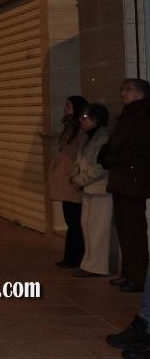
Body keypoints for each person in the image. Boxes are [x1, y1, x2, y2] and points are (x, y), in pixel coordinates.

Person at [100, 79, 150, 293]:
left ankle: (138, 278)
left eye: (128, 89)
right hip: (122, 180)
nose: (123, 93)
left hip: (133, 180)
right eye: (122, 89)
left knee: (134, 231)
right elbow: (115, 142)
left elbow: (139, 148)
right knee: (124, 230)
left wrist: (114, 157)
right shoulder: (127, 114)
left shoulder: (144, 114)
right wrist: (106, 154)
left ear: (141, 93)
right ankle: (128, 273)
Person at [69, 104, 112, 278]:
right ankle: (88, 263)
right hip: (89, 188)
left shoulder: (103, 137)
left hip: (100, 189)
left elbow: (100, 167)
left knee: (98, 230)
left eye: (84, 117)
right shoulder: (89, 137)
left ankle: (97, 266)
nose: (81, 120)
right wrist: (74, 176)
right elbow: (80, 161)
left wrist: (79, 180)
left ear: (95, 119)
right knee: (87, 226)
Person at [48, 96, 88, 269]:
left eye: (68, 106)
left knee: (74, 221)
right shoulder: (69, 128)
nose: (65, 109)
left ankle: (75, 258)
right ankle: (71, 257)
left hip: (73, 182)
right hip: (66, 182)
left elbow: (81, 157)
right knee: (70, 219)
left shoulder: (80, 131)